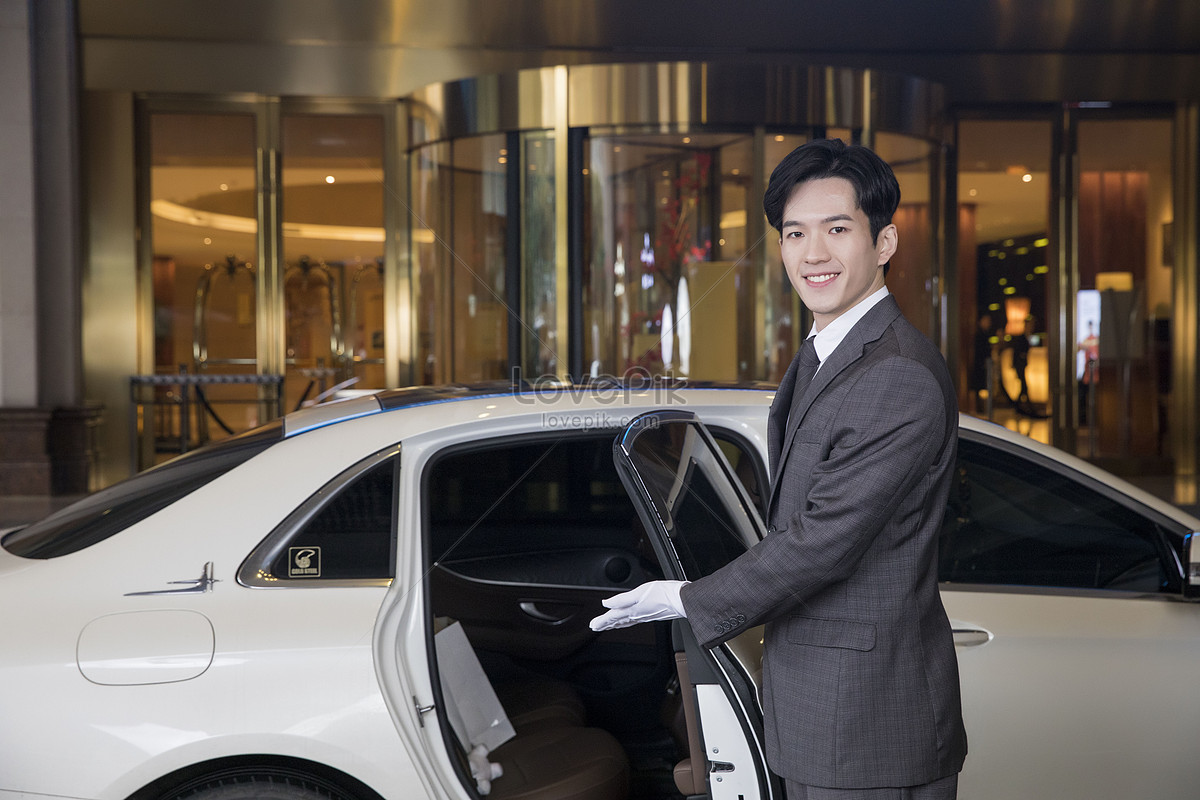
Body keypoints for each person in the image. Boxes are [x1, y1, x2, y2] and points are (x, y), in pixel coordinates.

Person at [592, 138, 967, 799]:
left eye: (836, 229)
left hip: (867, 726)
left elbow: (822, 541)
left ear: (884, 243)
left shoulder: (895, 376)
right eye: (795, 233)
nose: (812, 253)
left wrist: (685, 597)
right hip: (825, 715)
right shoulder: (828, 353)